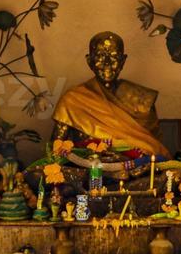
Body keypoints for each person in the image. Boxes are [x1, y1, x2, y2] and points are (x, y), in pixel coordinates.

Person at [51, 31, 168, 159]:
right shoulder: (72, 101)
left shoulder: (142, 101)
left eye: (113, 57)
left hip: (136, 171)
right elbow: (55, 152)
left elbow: (154, 150)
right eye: (100, 56)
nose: (107, 63)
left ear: (123, 61)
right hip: (89, 171)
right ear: (89, 61)